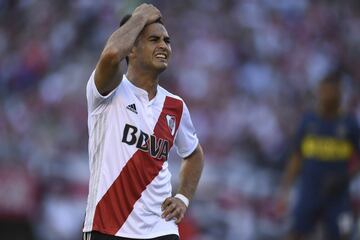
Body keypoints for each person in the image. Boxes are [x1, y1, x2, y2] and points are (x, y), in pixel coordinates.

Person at [82, 4, 204, 240]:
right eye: (154, 39)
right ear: (132, 49)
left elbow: (194, 154)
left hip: (161, 229)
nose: (164, 46)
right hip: (108, 227)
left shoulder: (175, 105)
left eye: (167, 41)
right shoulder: (108, 91)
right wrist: (139, 17)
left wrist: (183, 198)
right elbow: (110, 54)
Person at [278, 71, 360, 240]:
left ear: (339, 93)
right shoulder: (309, 121)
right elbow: (296, 157)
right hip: (309, 191)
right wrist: (285, 191)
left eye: (331, 91)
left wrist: (346, 177)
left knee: (344, 233)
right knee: (294, 233)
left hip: (339, 195)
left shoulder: (349, 124)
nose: (326, 96)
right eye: (323, 92)